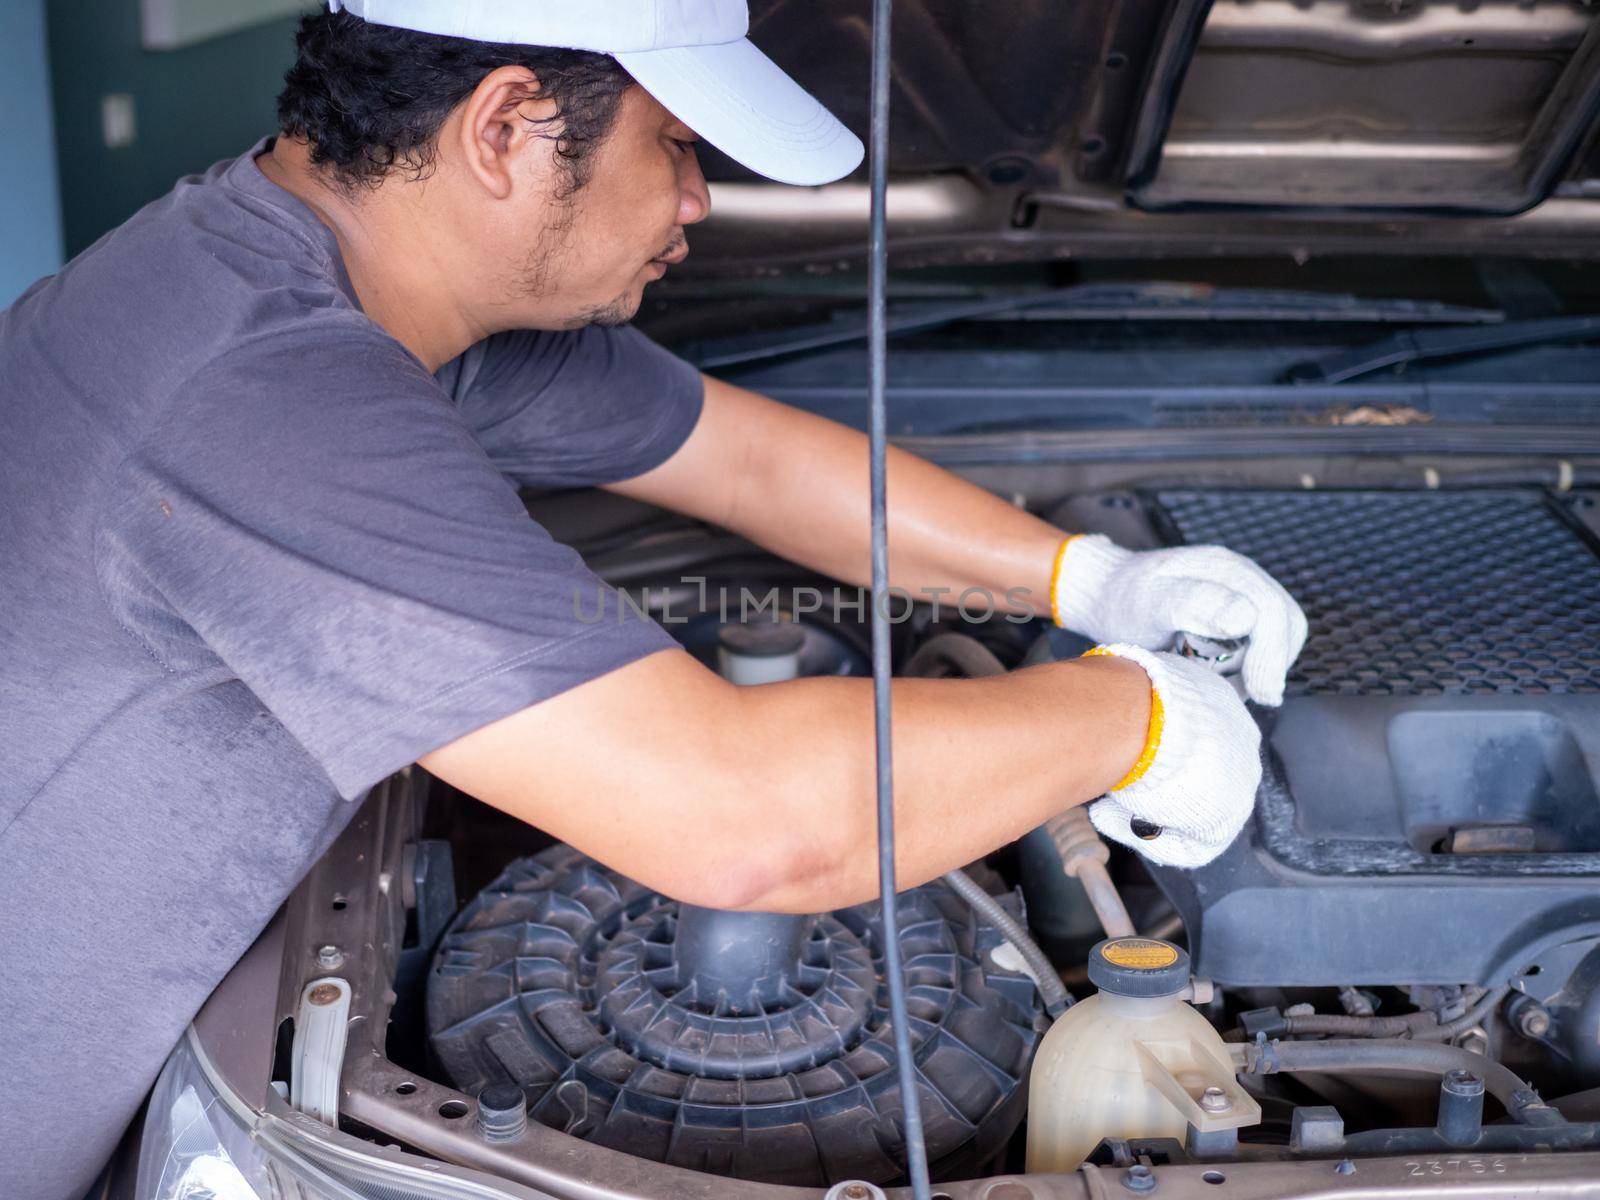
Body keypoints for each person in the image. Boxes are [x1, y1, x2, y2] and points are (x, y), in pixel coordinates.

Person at [0, 2, 1306, 1195]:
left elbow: (745, 458)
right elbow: (743, 820)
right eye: (675, 143)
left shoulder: (313, 279)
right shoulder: (265, 395)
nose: (699, 198)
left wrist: (1095, 579)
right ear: (506, 128)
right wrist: (1130, 714)